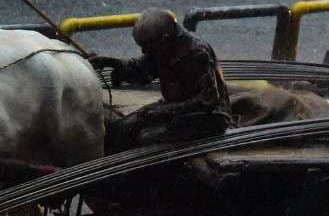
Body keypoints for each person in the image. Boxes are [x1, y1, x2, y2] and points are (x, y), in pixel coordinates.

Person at [91, 8, 232, 152]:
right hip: (176, 110)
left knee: (146, 139)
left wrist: (166, 110)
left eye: (146, 46)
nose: (144, 52)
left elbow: (208, 100)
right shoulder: (163, 46)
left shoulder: (195, 53)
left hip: (208, 119)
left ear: (164, 39)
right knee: (121, 129)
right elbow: (142, 71)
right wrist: (113, 63)